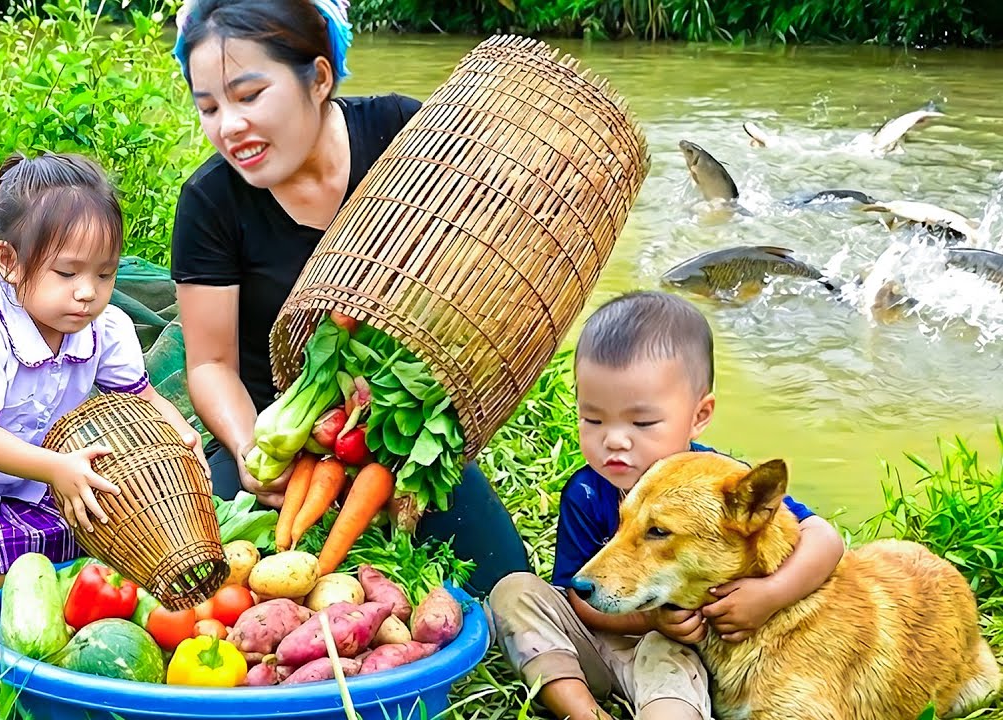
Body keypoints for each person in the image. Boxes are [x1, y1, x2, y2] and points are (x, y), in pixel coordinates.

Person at [168, 0, 529, 594]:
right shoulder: (211, 202)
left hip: (401, 435)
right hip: (284, 441)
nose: (228, 125)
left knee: (507, 585)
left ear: (318, 79)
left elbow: (485, 262)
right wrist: (250, 448)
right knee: (212, 588)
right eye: (209, 107)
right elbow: (210, 364)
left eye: (249, 95)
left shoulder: (406, 135)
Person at [0, 151, 208, 641]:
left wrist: (179, 433)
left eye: (104, 274)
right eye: (67, 273)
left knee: (98, 540)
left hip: (29, 481)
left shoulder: (104, 327)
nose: (88, 292)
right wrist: (56, 469)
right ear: (9, 262)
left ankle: (38, 629)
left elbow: (143, 398)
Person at [488, 291, 845, 720]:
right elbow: (579, 591)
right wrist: (649, 620)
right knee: (513, 591)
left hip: (671, 652)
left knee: (667, 654)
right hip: (597, 641)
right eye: (593, 419)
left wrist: (770, 595)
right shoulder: (585, 490)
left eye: (642, 422)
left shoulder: (721, 485)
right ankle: (583, 713)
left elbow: (824, 537)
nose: (614, 440)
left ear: (699, 415)